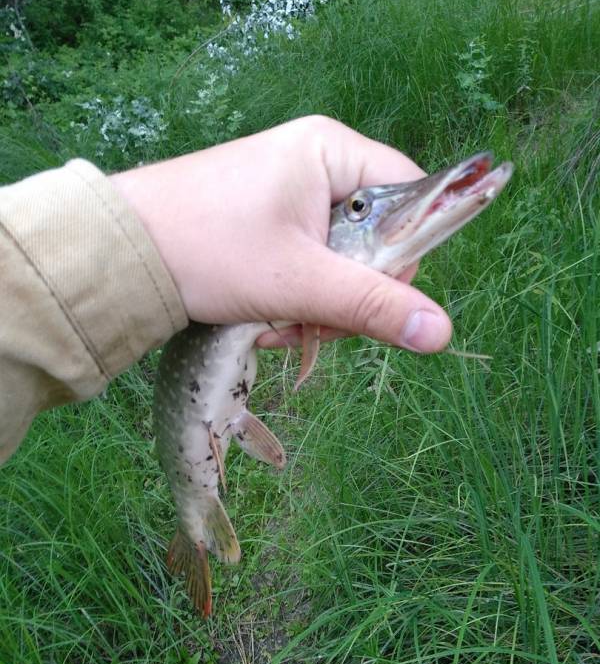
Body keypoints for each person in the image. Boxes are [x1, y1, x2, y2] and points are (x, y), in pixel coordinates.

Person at [0, 115, 452, 465]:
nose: (362, 211)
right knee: (197, 488)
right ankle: (195, 516)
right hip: (192, 446)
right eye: (358, 208)